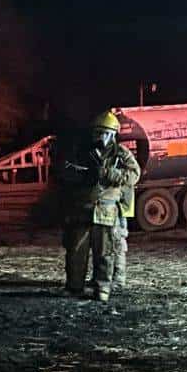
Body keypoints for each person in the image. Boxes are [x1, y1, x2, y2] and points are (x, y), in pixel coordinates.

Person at [58, 111, 141, 301]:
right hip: (82, 210)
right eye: (97, 132)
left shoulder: (121, 154)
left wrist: (108, 174)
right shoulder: (82, 152)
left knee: (105, 253)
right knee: (76, 251)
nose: (100, 137)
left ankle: (102, 288)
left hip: (106, 211)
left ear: (114, 134)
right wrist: (80, 177)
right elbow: (65, 171)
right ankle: (74, 287)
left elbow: (134, 175)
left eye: (105, 132)